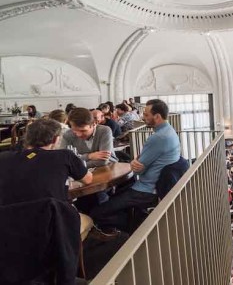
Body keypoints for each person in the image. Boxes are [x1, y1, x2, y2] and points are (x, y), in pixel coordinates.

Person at [90, 99, 180, 231]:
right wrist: (137, 163)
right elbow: (139, 165)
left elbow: (136, 170)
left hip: (145, 190)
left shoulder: (158, 138)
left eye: (146, 114)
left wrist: (134, 163)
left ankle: (135, 229)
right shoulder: (169, 131)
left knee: (96, 213)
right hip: (150, 186)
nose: (143, 117)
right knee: (113, 197)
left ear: (157, 116)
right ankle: (133, 223)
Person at [0, 119, 93, 204]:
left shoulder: (3, 158)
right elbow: (88, 179)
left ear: (27, 137)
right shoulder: (65, 156)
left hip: (9, 219)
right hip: (53, 218)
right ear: (55, 139)